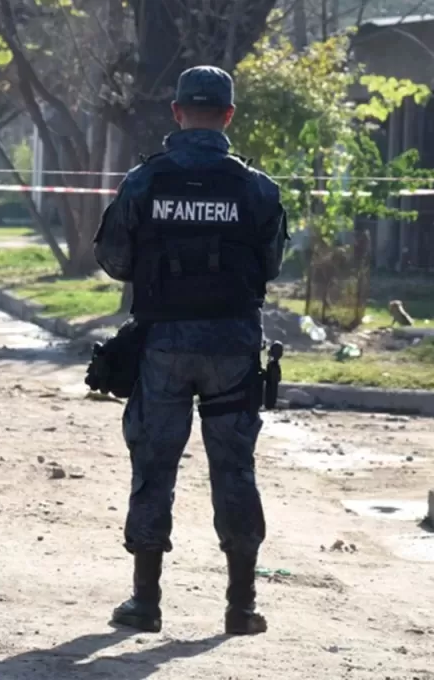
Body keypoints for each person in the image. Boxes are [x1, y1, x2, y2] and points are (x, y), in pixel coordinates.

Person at [92, 65, 289, 636]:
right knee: (235, 469)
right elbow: (271, 266)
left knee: (155, 466)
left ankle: (145, 603)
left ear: (177, 113)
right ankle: (241, 607)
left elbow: (114, 260)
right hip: (232, 346)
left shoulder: (143, 182)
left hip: (163, 348)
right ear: (228, 116)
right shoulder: (257, 188)